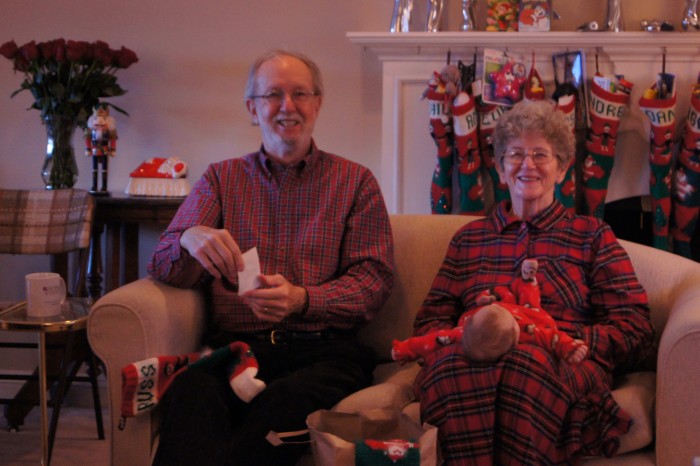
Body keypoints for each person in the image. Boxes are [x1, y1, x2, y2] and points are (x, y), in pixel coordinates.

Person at [147, 50, 395, 466]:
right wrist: (189, 237)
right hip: (238, 351)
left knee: (285, 402)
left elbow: (373, 282)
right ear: (252, 107)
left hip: (324, 353)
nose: (288, 106)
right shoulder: (220, 179)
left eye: (300, 94)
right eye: (273, 95)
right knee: (190, 392)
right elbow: (162, 267)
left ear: (318, 103)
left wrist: (303, 299)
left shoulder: (356, 182)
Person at [412, 99, 654, 465]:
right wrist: (472, 334)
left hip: (560, 363)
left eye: (541, 154)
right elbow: (429, 321)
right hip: (471, 355)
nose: (527, 165)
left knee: (524, 367)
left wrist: (562, 339)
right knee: (449, 371)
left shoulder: (591, 236)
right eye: (515, 154)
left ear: (561, 170)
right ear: (500, 168)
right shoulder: (469, 240)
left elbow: (635, 328)